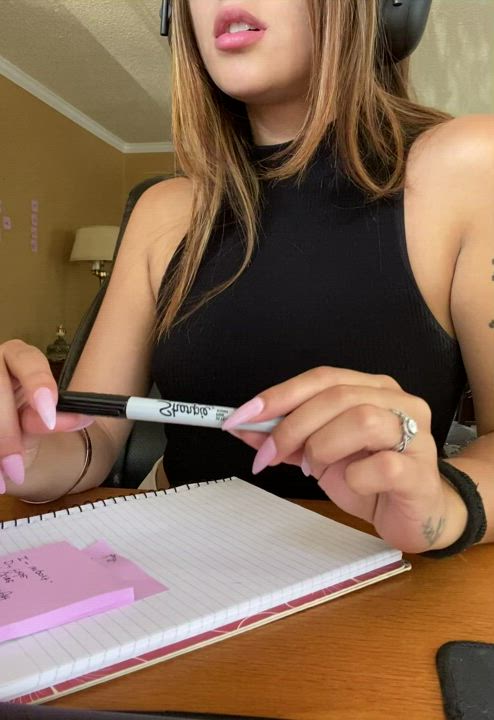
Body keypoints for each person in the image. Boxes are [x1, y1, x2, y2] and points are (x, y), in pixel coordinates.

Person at [0, 0, 493, 557]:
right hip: (177, 566)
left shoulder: (472, 164)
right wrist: (25, 447)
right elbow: (93, 437)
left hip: (383, 577)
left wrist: (446, 506)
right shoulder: (162, 209)